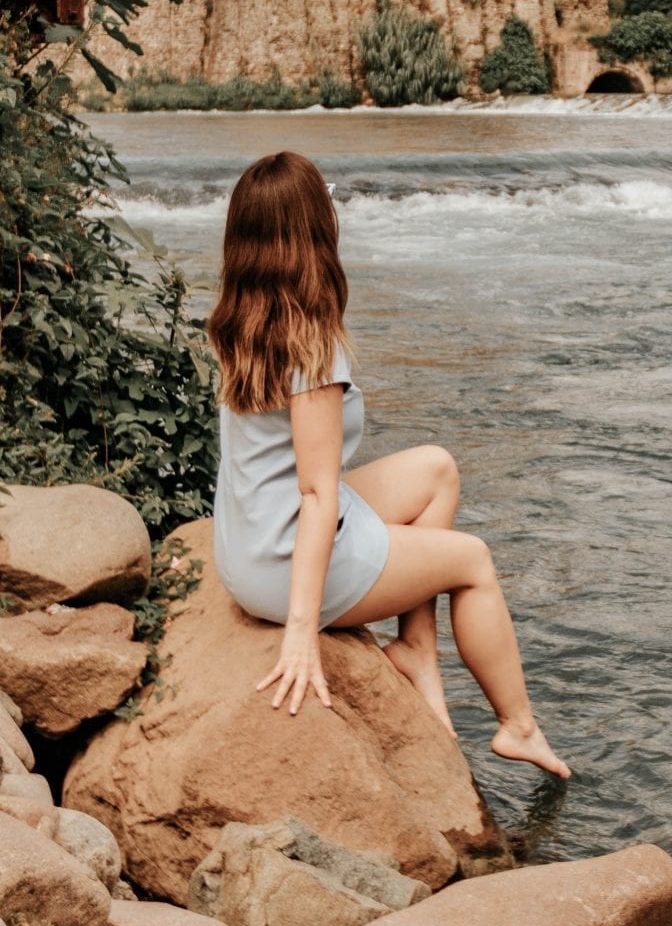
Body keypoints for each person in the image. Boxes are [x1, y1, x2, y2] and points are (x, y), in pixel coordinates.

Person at [207, 149, 568, 778]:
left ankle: (416, 652)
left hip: (249, 546)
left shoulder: (240, 321)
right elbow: (319, 496)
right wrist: (301, 630)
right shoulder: (310, 345)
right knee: (473, 561)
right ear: (317, 232)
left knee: (436, 470)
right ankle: (518, 726)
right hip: (284, 560)